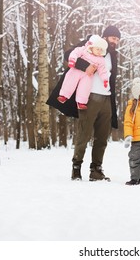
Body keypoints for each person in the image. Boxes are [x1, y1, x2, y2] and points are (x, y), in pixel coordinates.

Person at [47, 25, 121, 181]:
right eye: (113, 38)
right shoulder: (91, 44)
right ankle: (76, 167)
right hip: (89, 97)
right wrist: (85, 66)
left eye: (118, 39)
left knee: (102, 137)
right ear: (105, 37)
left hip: (106, 99)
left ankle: (96, 170)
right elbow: (69, 54)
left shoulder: (113, 55)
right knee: (84, 134)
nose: (116, 42)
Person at [57, 35, 109, 110]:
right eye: (97, 49)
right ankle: (64, 95)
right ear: (91, 47)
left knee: (85, 88)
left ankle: (81, 102)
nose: (99, 51)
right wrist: (72, 60)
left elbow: (102, 70)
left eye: (101, 50)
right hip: (76, 71)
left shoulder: (101, 59)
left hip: (87, 75)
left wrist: (105, 79)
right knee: (70, 81)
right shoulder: (83, 50)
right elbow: (74, 53)